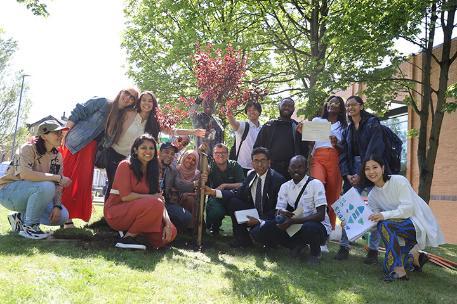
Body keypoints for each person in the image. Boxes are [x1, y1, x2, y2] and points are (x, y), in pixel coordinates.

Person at [104, 91, 206, 202]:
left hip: (134, 160)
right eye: (143, 100)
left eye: (150, 101)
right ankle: (109, 214)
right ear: (139, 102)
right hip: (115, 155)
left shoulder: (154, 122)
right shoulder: (129, 113)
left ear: (154, 104)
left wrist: (194, 131)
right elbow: (112, 119)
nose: (146, 103)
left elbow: (173, 131)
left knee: (129, 189)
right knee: (114, 187)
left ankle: (124, 215)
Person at [360, 154, 445, 281]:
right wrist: (353, 226)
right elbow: (374, 223)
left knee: (385, 225)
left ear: (382, 168)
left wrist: (383, 215)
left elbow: (407, 210)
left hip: (417, 224)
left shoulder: (398, 181)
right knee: (389, 262)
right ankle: (416, 258)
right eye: (367, 168)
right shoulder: (372, 195)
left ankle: (399, 271)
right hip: (397, 228)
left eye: (375, 167)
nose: (371, 171)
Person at [61, 88, 139, 226]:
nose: (127, 98)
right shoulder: (102, 102)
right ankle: (61, 216)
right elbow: (79, 110)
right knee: (66, 179)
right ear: (121, 92)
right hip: (75, 143)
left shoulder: (122, 117)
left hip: (91, 150)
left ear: (133, 103)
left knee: (81, 184)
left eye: (132, 98)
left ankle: (68, 216)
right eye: (126, 93)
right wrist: (65, 132)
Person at [250, 155, 331, 264]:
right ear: (288, 169)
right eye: (293, 167)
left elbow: (320, 215)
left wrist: (293, 221)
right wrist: (281, 213)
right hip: (294, 224)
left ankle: (315, 253)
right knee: (262, 229)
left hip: (317, 226)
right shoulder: (285, 186)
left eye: (300, 167)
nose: (296, 170)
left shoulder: (316, 184)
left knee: (309, 227)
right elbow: (278, 211)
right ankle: (297, 245)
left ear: (306, 169)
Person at [0, 120, 72, 239]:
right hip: (7, 192)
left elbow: (58, 184)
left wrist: (57, 206)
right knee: (48, 185)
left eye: (61, 132)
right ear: (44, 136)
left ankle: (19, 218)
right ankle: (30, 228)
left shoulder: (57, 156)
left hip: (30, 192)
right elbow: (25, 174)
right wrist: (57, 177)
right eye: (56, 132)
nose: (61, 135)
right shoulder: (27, 148)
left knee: (63, 216)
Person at [104, 134, 177, 250]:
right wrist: (152, 197)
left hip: (142, 211)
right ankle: (127, 239)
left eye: (151, 148)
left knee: (171, 232)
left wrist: (168, 223)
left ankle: (142, 236)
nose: (148, 151)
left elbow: (160, 200)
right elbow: (125, 197)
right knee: (155, 203)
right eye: (143, 148)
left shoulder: (153, 171)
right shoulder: (125, 165)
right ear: (135, 150)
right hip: (116, 212)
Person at [335, 95, 384, 262]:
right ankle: (344, 246)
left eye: (353, 105)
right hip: (352, 171)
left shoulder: (372, 123)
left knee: (374, 209)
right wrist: (347, 174)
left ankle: (373, 250)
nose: (350, 108)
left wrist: (362, 173)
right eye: (347, 106)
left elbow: (374, 149)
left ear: (361, 106)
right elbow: (343, 154)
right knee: (348, 209)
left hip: (370, 169)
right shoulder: (347, 129)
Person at [205, 147, 285, 247]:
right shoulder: (251, 175)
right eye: (256, 161)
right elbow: (237, 193)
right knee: (233, 202)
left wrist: (259, 220)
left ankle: (264, 239)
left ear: (269, 162)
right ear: (252, 163)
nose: (259, 164)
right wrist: (213, 192)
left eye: (263, 161)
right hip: (254, 212)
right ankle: (241, 239)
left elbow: (278, 209)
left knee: (258, 232)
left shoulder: (277, 180)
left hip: (269, 218)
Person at [309, 96, 347, 230]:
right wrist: (304, 132)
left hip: (335, 159)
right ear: (327, 105)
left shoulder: (344, 127)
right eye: (331, 102)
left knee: (332, 195)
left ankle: (328, 229)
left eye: (337, 103)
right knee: (317, 186)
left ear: (341, 108)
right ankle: (313, 225)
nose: (333, 104)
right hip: (318, 157)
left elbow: (345, 149)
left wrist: (336, 144)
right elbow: (310, 143)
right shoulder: (317, 121)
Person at [254, 97, 308, 179]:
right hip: (271, 169)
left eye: (290, 106)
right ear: (279, 106)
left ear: (293, 109)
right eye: (284, 105)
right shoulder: (269, 126)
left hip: (292, 170)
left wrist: (302, 135)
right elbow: (257, 148)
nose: (287, 107)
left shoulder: (297, 128)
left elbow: (304, 150)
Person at [203, 143, 245, 235]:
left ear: (228, 154)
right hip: (216, 199)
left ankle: (240, 232)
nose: (220, 155)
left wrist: (225, 185)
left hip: (232, 198)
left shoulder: (235, 165)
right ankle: (213, 226)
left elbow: (242, 184)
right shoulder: (210, 167)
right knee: (216, 211)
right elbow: (204, 170)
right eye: (217, 153)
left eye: (223, 152)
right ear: (213, 155)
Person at [158, 142, 192, 232]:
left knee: (186, 217)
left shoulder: (172, 170)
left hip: (166, 204)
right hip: (149, 201)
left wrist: (195, 184)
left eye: (172, 154)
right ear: (159, 152)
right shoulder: (149, 166)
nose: (169, 155)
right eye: (166, 152)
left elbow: (180, 184)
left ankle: (171, 232)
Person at [227, 101, 263, 176]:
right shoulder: (244, 126)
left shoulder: (262, 129)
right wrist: (230, 116)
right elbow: (234, 123)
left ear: (259, 112)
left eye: (254, 110)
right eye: (249, 110)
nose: (251, 112)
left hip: (258, 167)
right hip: (242, 167)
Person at [173, 150, 200, 223]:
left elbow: (198, 192)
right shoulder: (176, 169)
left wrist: (188, 194)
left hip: (190, 199)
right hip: (175, 197)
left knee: (190, 199)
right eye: (188, 158)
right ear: (184, 158)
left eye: (194, 160)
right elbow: (176, 185)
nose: (190, 161)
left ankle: (189, 225)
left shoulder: (197, 174)